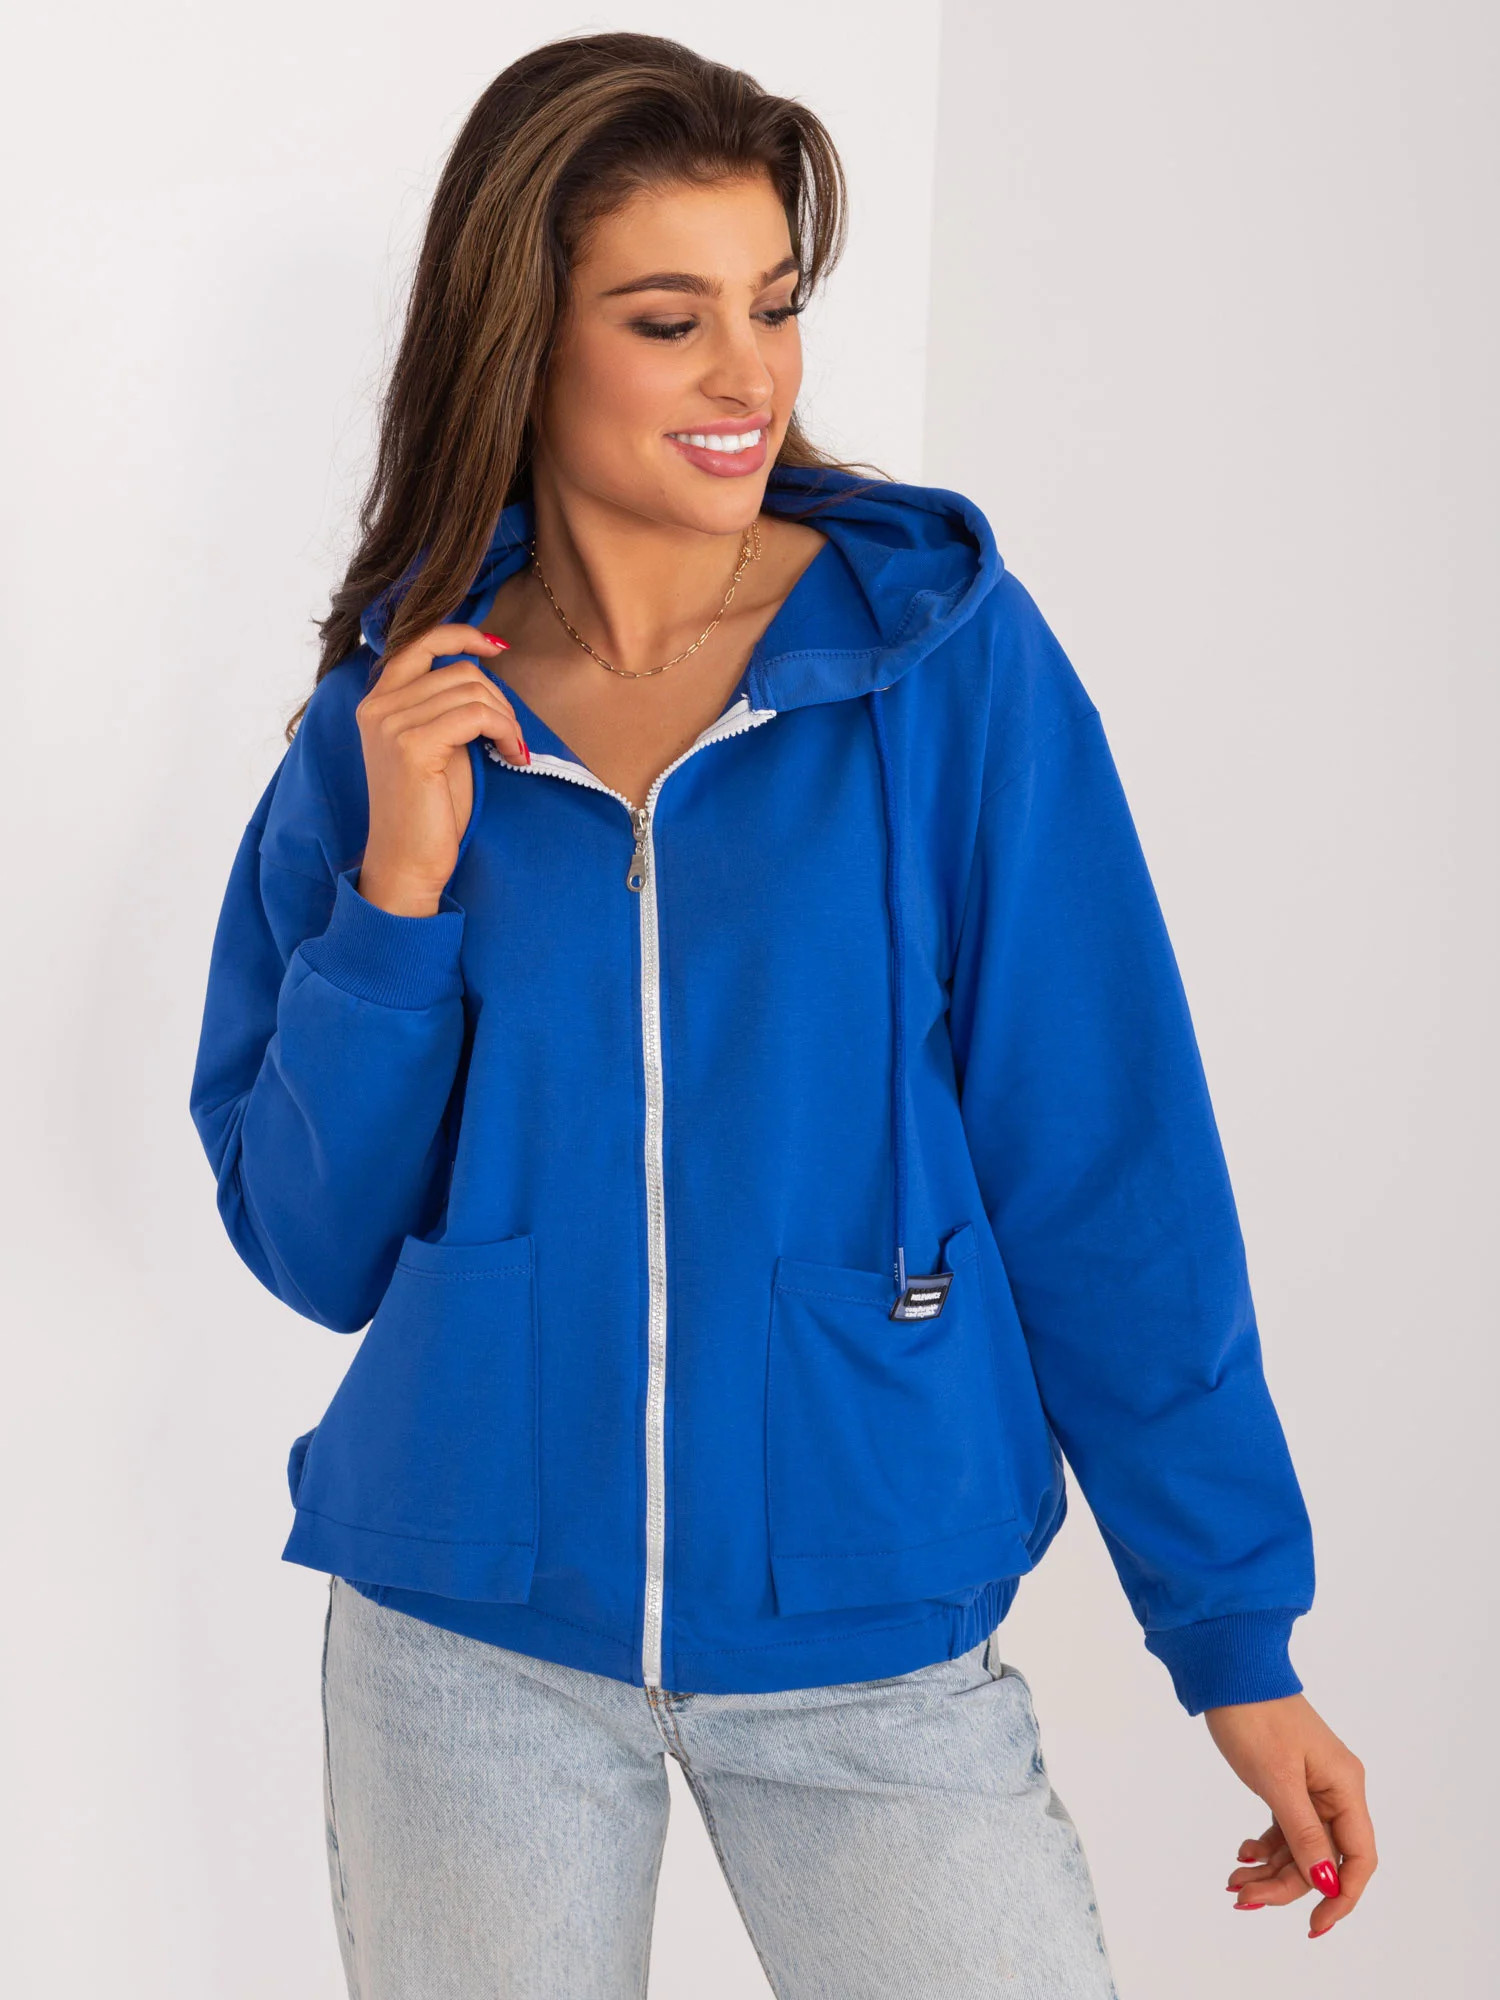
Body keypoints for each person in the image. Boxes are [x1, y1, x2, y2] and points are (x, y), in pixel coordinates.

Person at [188, 30, 1375, 1998]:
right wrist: (397, 893)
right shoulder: (399, 721)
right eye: (672, 321)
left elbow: (1107, 1160)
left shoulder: (940, 673)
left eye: (776, 303)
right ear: (523, 342)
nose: (750, 375)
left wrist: (1231, 1635)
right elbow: (310, 1246)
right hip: (464, 1637)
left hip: (869, 1622)